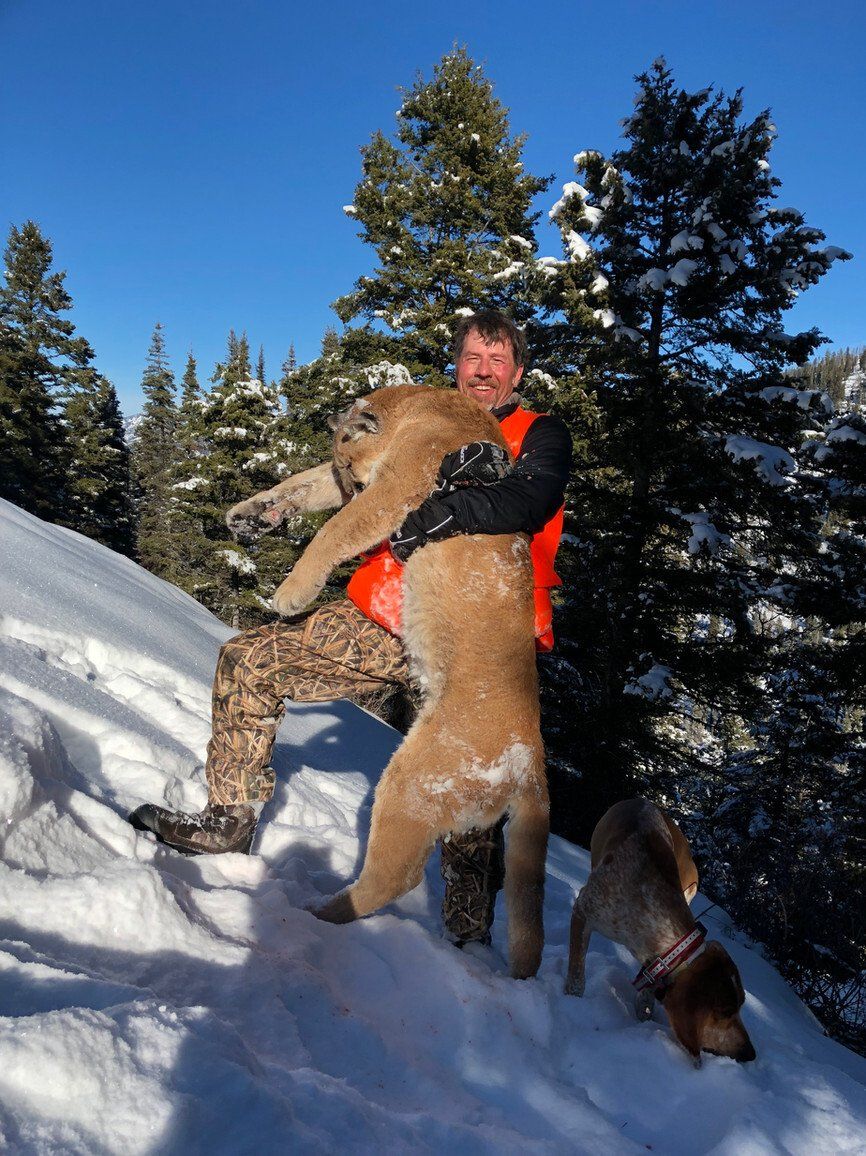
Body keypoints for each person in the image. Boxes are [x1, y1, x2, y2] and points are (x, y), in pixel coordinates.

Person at [130, 310, 572, 947]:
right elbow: (353, 479)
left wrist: (450, 510)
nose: (482, 372)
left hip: (479, 632)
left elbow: (534, 497)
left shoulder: (538, 432)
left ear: (518, 373)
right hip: (390, 613)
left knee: (473, 791)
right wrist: (278, 502)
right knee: (251, 661)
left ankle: (467, 938)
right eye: (472, 358)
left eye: (497, 361)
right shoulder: (421, 415)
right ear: (456, 365)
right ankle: (228, 819)